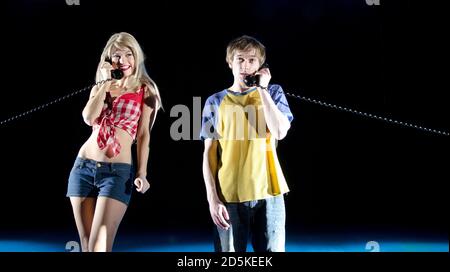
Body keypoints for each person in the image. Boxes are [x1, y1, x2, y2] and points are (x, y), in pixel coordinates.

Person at [66, 32, 162, 252]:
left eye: (129, 54)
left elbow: (144, 134)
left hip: (117, 172)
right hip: (83, 167)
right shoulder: (101, 87)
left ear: (136, 57)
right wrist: (103, 84)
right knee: (86, 245)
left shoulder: (146, 90)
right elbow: (89, 118)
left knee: (100, 246)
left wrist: (142, 173)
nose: (123, 61)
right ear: (108, 60)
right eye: (117, 56)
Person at [200, 35, 294, 252]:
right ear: (229, 63)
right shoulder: (215, 101)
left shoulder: (273, 93)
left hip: (269, 193)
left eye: (252, 60)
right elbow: (209, 155)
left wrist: (262, 89)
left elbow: (280, 131)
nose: (245, 66)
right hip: (229, 195)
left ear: (261, 66)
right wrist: (212, 199)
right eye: (239, 59)